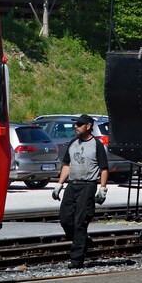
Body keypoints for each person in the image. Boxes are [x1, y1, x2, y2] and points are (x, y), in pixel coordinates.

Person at [52, 114, 110, 269]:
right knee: (65, 219)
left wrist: (103, 188)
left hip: (87, 186)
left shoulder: (96, 144)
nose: (76, 127)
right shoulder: (73, 143)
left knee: (80, 223)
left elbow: (104, 169)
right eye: (76, 124)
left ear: (88, 126)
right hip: (72, 185)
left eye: (79, 124)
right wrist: (59, 184)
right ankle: (83, 241)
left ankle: (76, 260)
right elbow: (66, 165)